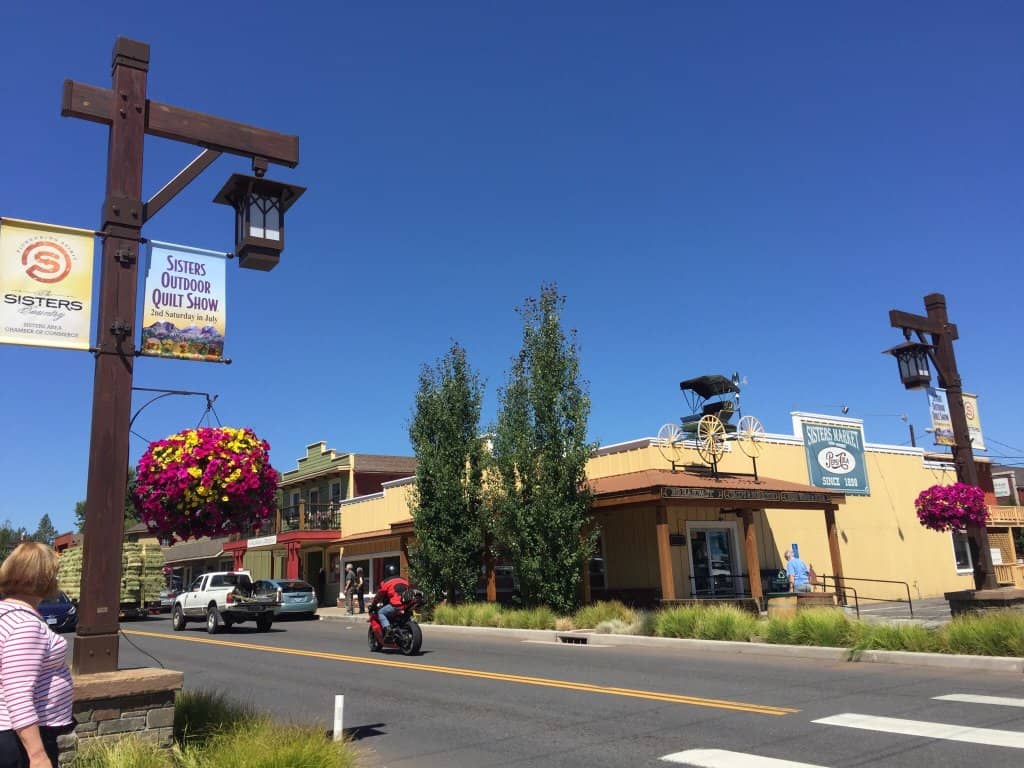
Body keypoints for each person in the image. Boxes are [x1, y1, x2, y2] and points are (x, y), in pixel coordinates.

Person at [0, 542, 74, 768]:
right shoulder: (25, 625)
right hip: (18, 741)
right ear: (45, 578)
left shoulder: (7, 612)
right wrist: (38, 755)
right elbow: (18, 694)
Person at [372, 564, 408, 637]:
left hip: (396, 604)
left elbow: (379, 595)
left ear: (387, 572)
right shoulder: (404, 581)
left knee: (380, 613)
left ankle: (388, 628)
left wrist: (374, 604)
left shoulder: (385, 582)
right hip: (406, 604)